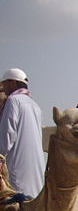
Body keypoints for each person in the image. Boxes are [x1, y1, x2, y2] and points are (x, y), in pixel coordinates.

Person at [0, 68, 45, 199]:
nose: (4, 88)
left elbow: (7, 137)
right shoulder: (35, 105)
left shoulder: (13, 101)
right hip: (36, 172)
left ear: (13, 83)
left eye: (5, 84)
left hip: (17, 171)